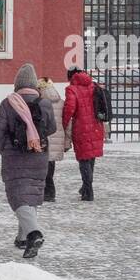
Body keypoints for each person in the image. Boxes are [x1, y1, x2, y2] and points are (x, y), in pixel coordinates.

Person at [0, 62, 51, 259]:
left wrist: (2, 148)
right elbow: (51, 128)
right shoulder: (44, 103)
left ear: (17, 83)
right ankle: (22, 238)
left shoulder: (9, 102)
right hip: (39, 154)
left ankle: (34, 234)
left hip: (15, 156)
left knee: (18, 197)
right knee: (30, 195)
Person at [62, 67, 106, 201]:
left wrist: (63, 123)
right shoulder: (93, 85)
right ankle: (86, 187)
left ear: (70, 76)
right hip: (97, 126)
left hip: (81, 127)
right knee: (90, 157)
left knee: (83, 159)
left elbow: (70, 108)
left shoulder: (72, 89)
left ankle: (88, 191)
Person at [37, 76, 67, 201]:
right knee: (51, 164)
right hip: (57, 138)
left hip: (45, 136)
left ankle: (47, 192)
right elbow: (66, 122)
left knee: (42, 166)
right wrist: (67, 140)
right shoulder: (61, 102)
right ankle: (50, 192)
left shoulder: (40, 103)